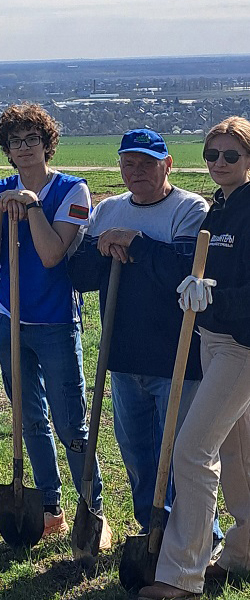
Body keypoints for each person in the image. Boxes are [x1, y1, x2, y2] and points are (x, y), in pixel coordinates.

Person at [68, 129, 223, 548]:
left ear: (167, 165)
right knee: (137, 455)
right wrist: (102, 247)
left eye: (148, 163)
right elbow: (80, 275)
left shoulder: (189, 209)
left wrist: (136, 244)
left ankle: (201, 536)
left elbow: (183, 272)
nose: (137, 171)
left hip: (176, 358)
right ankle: (151, 530)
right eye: (129, 163)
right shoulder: (109, 210)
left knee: (182, 457)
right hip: (122, 357)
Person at [0, 103, 109, 547]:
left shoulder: (72, 191)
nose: (24, 148)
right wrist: (0, 211)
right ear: (7, 150)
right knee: (29, 419)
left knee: (71, 425)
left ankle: (92, 509)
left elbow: (52, 255)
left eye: (33, 139)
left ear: (47, 144)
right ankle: (50, 506)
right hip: (9, 321)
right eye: (16, 141)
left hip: (55, 323)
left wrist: (32, 208)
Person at [139, 117, 250, 600]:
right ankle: (245, 551)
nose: (219, 163)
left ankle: (182, 576)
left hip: (242, 347)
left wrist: (214, 298)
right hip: (211, 338)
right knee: (237, 451)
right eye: (212, 155)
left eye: (231, 155)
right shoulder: (219, 207)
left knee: (192, 451)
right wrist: (195, 288)